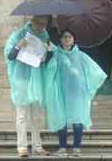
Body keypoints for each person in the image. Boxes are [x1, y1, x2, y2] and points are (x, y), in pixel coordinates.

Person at [45, 29, 107, 157]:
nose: (67, 39)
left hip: (77, 93)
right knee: (61, 119)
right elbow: (50, 70)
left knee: (77, 119)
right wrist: (50, 53)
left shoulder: (81, 56)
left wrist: (84, 81)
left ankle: (76, 148)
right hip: (60, 92)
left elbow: (95, 71)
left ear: (73, 40)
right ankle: (62, 147)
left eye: (69, 37)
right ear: (60, 39)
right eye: (64, 37)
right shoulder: (56, 54)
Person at [4, 16, 52, 157]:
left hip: (36, 79)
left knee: (36, 116)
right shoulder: (18, 34)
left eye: (44, 25)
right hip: (22, 79)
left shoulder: (45, 35)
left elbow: (49, 55)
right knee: (22, 115)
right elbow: (9, 56)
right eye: (39, 24)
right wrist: (18, 45)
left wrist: (46, 56)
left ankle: (37, 146)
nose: (41, 27)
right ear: (33, 22)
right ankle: (22, 147)